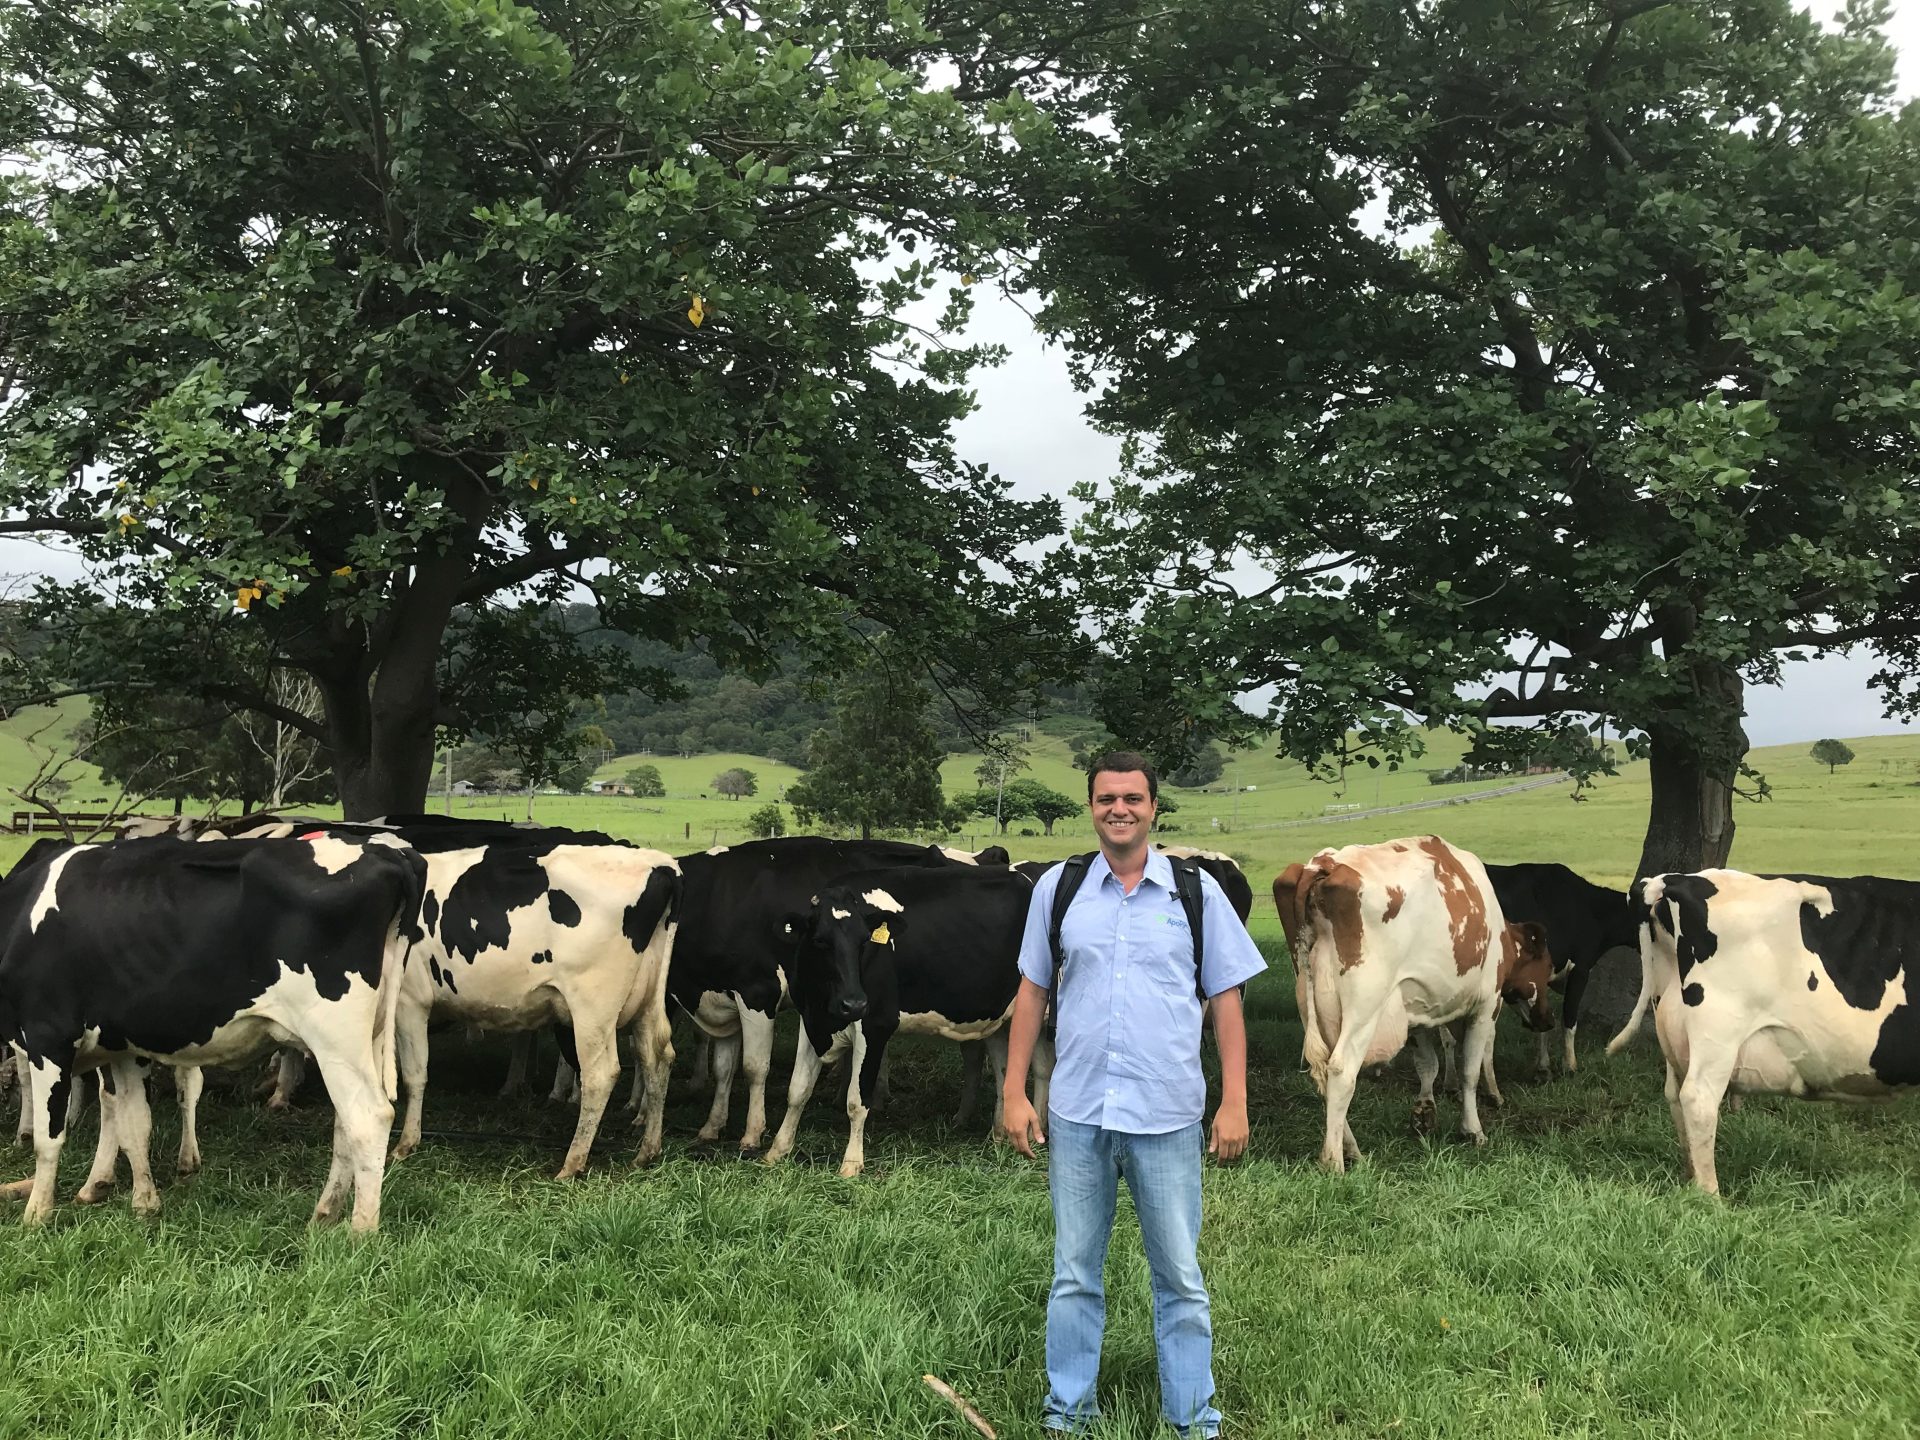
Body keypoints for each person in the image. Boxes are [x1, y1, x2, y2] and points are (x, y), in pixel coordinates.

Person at [1001, 751, 1267, 1438]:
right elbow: (1033, 990)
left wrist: (1234, 1100)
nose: (1119, 809)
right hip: (1078, 1112)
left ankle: (1193, 1419)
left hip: (1167, 1115)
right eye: (1106, 798)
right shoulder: (1059, 889)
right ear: (1091, 807)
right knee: (1073, 1273)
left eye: (1132, 799)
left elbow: (1227, 999)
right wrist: (1014, 1090)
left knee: (1179, 1276)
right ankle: (1067, 1412)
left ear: (1153, 808)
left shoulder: (1195, 893)